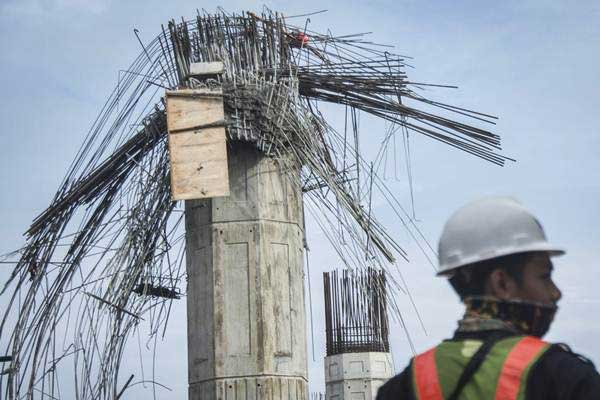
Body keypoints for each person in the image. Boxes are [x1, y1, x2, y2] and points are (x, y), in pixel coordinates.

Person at [376, 197, 600, 400]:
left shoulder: (407, 385)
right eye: (544, 276)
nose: (555, 293)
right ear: (501, 283)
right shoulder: (564, 378)